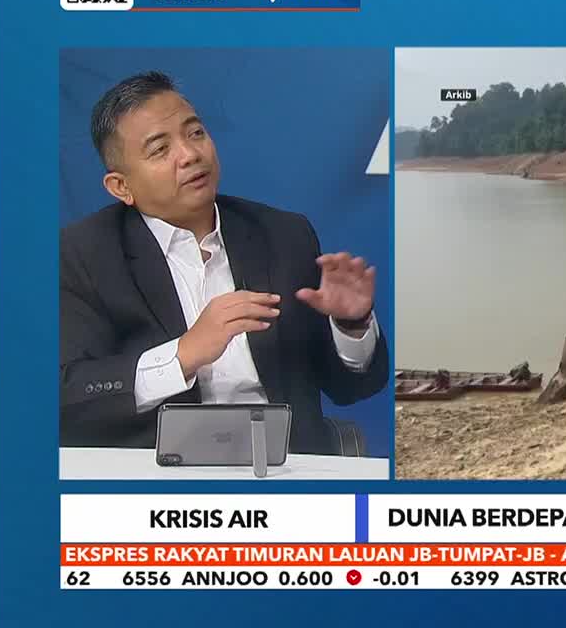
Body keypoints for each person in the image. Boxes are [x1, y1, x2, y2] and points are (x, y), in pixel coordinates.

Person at [59, 72, 389, 455]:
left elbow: (350, 389)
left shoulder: (283, 235)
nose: (190, 154)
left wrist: (351, 325)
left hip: (285, 466)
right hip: (153, 471)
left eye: (195, 133)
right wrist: (182, 355)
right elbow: (68, 393)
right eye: (160, 149)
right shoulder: (83, 254)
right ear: (121, 187)